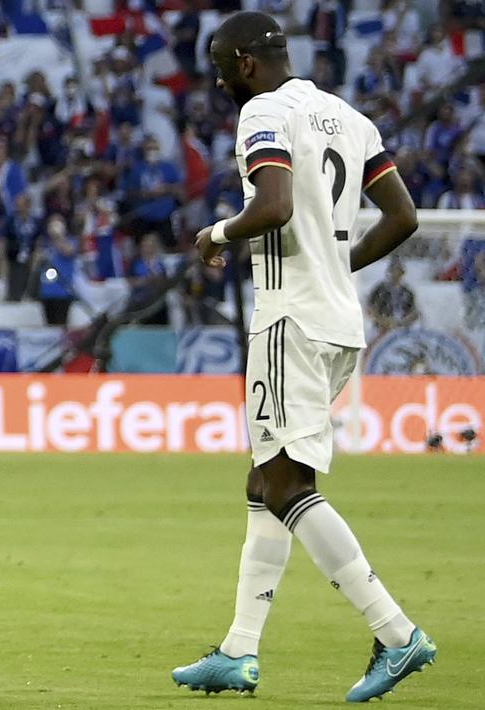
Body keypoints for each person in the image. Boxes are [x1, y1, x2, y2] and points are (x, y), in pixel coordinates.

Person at [175, 12, 435, 703]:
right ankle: (237, 650)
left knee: (288, 488)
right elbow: (403, 216)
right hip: (337, 321)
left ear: (245, 64)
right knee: (264, 483)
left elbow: (274, 204)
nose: (221, 81)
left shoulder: (262, 111)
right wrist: (335, 264)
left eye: (222, 67)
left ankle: (395, 631)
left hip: (288, 318)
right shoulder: (348, 117)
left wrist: (217, 233)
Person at [366, 257, 418, 334]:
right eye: (394, 271)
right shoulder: (381, 289)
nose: (397, 274)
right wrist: (382, 320)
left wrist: (404, 321)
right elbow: (370, 308)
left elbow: (414, 312)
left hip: (402, 327)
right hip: (381, 328)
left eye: (399, 272)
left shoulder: (407, 291)